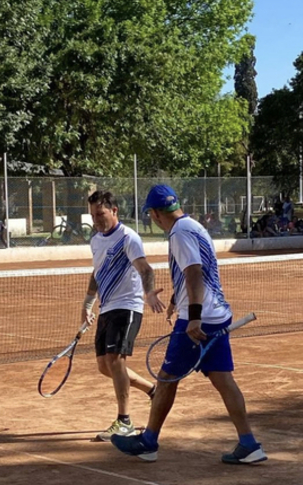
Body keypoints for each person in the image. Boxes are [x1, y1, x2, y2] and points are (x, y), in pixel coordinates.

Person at [111, 184, 267, 464]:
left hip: (198, 319)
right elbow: (195, 273)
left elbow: (194, 272)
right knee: (223, 380)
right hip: (216, 313)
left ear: (156, 213)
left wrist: (192, 315)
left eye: (151, 215)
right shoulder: (193, 226)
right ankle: (249, 443)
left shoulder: (179, 234)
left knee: (167, 379)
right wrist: (176, 298)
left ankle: (148, 442)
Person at [82, 190, 166, 441]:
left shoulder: (129, 238)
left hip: (128, 305)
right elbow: (97, 272)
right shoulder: (96, 240)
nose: (96, 220)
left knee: (115, 359)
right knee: (104, 366)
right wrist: (87, 303)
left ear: (114, 210)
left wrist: (149, 292)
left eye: (100, 214)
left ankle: (124, 422)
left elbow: (145, 268)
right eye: (93, 215)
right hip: (106, 307)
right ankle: (153, 390)